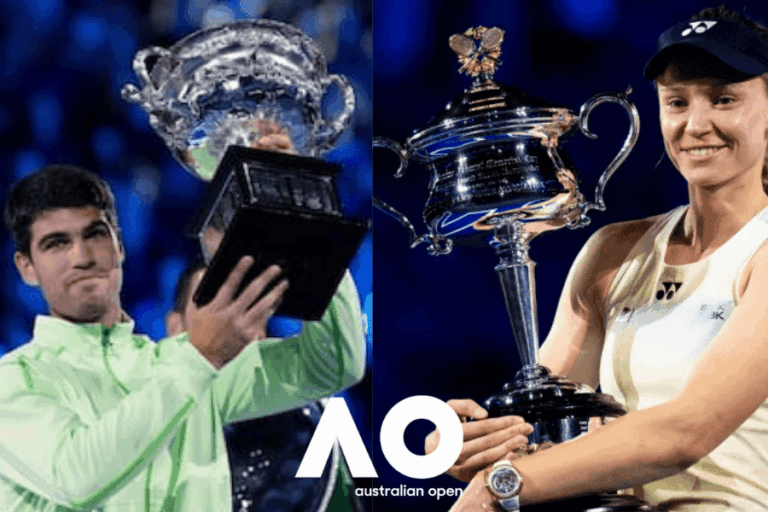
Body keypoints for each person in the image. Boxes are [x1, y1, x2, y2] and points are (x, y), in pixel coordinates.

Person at [433, 6, 768, 512]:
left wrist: (501, 484)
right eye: (677, 102)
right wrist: (474, 440)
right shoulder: (613, 253)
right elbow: (541, 429)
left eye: (724, 99)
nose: (696, 124)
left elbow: (686, 432)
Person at [0, 164, 366, 511]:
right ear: (26, 267)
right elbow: (77, 478)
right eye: (56, 244)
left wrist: (299, 215)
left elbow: (332, 366)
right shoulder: (13, 380)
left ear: (119, 248)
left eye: (95, 235)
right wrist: (198, 357)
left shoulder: (180, 365)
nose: (81, 257)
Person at [166, 258, 364, 512]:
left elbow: (338, 364)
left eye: (245, 303)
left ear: (261, 330)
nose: (228, 318)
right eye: (211, 302)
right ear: (175, 327)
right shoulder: (137, 405)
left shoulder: (305, 418)